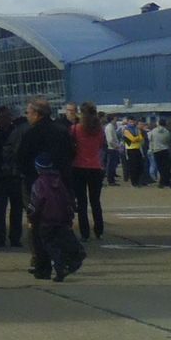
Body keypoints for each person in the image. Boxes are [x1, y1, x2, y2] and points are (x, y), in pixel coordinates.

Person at [29, 158, 84, 281]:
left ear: (38, 169)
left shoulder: (38, 183)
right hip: (61, 219)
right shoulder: (59, 182)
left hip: (46, 220)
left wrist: (32, 218)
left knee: (49, 245)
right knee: (62, 241)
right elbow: (67, 200)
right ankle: (74, 256)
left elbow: (36, 204)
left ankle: (59, 266)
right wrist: (69, 217)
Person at [0, 106, 28, 249]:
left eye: (5, 117)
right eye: (0, 117)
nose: (3, 120)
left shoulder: (15, 132)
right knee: (0, 209)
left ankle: (13, 238)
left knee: (15, 209)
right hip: (2, 176)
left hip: (14, 175)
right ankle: (0, 237)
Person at [70, 103, 108, 241]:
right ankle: (99, 230)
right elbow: (100, 146)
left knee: (82, 202)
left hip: (78, 167)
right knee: (95, 201)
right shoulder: (99, 130)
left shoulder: (75, 128)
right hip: (95, 167)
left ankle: (85, 232)